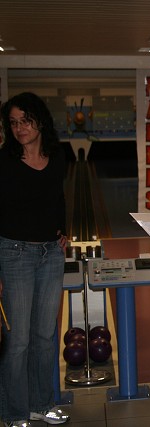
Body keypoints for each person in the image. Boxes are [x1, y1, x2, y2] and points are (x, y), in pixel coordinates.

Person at [0, 92, 70, 427]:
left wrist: (63, 230)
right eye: (13, 123)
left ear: (40, 120)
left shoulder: (57, 157)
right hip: (14, 253)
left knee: (45, 337)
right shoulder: (4, 162)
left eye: (25, 121)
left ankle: (43, 404)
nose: (19, 128)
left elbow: (58, 198)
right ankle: (16, 412)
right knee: (18, 341)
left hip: (50, 254)